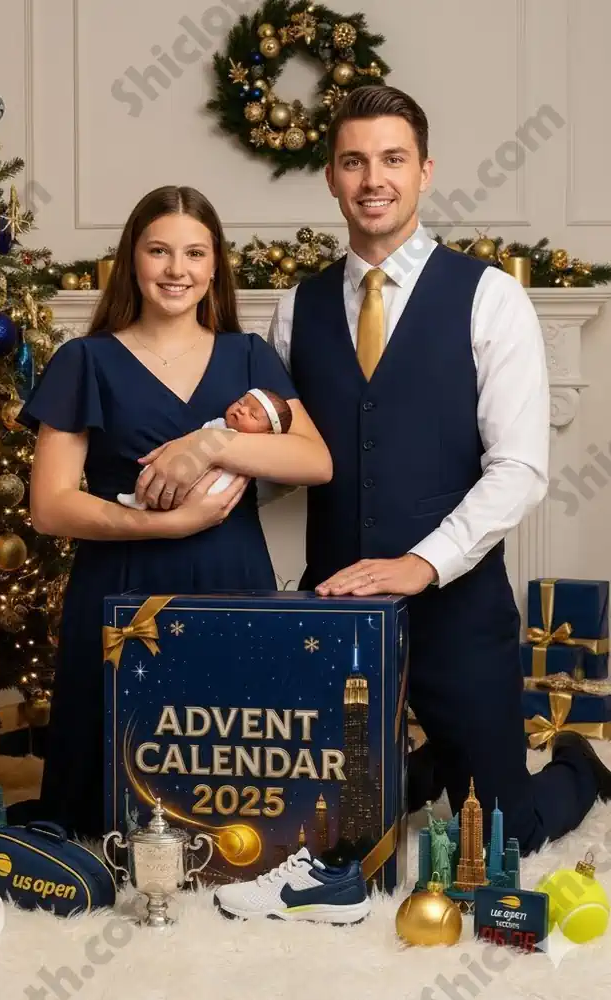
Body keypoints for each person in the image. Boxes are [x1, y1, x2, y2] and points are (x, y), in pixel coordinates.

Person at [265, 85, 611, 856]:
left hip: (458, 612)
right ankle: (420, 771)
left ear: (425, 170)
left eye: (392, 159)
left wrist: (423, 564)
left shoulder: (491, 297)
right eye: (354, 161)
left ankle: (579, 769)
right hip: (337, 615)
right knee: (318, 835)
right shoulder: (297, 307)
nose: (373, 179)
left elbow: (519, 468)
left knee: (501, 840)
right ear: (330, 177)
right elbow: (283, 466)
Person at [20, 185, 332, 839]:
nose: (176, 270)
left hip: (231, 582)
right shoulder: (87, 359)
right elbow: (49, 506)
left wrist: (213, 442)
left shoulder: (248, 355)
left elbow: (315, 461)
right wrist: (161, 524)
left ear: (216, 264)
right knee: (109, 793)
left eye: (194, 253)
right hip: (121, 590)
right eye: (159, 251)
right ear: (132, 259)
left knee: (229, 767)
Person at [117, 388, 292, 509]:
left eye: (253, 414)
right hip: (185, 465)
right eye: (241, 402)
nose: (242, 410)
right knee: (154, 471)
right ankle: (139, 499)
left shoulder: (255, 446)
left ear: (268, 434)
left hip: (213, 490)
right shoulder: (218, 424)